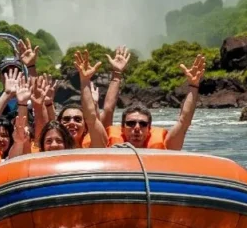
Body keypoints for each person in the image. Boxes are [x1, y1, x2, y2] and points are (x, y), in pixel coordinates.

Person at [76, 49, 206, 151]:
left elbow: (184, 121)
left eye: (143, 124)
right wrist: (84, 81)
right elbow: (92, 118)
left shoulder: (166, 146)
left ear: (149, 129)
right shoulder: (105, 145)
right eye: (131, 123)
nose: (137, 128)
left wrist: (193, 85)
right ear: (122, 128)